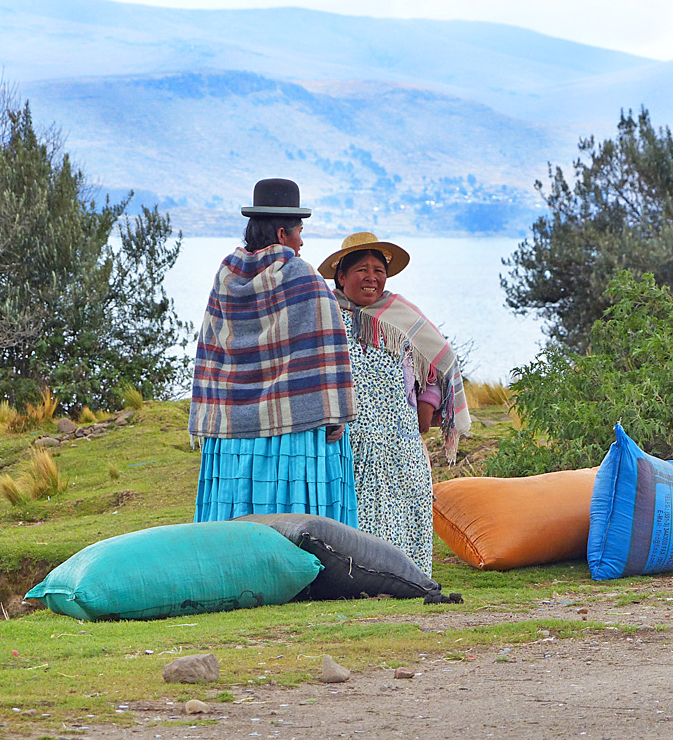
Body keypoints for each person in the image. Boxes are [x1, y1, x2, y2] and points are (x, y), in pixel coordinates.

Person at [189, 179, 358, 525]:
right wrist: (334, 414)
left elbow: (212, 345)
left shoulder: (225, 277)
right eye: (299, 232)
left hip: (232, 432)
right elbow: (327, 348)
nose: (302, 241)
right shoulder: (301, 277)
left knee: (235, 521)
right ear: (282, 234)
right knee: (293, 524)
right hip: (290, 434)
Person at [318, 231, 471, 575]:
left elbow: (439, 363)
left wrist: (426, 412)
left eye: (378, 269)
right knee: (358, 510)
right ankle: (358, 579)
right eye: (361, 269)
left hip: (399, 440)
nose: (372, 277)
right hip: (347, 439)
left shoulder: (400, 316)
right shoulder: (323, 314)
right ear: (341, 276)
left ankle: (410, 578)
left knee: (408, 503)